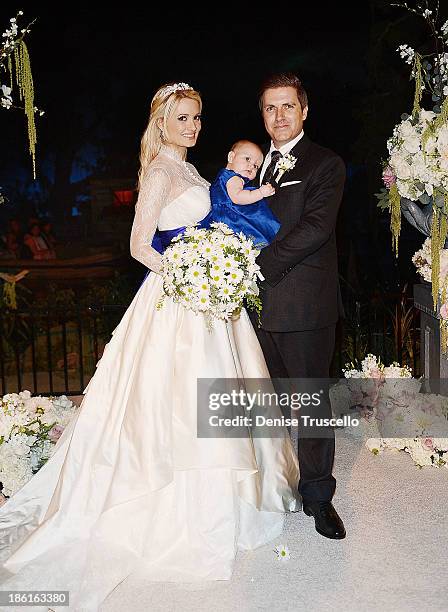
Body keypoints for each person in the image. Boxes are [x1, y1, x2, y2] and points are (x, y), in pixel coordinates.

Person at [0, 82, 300, 610]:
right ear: (161, 122)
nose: (192, 126)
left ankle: (231, 501)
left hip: (208, 295)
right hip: (178, 297)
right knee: (172, 403)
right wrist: (187, 273)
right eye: (181, 118)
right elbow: (139, 245)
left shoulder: (189, 169)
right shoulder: (160, 171)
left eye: (197, 117)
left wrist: (216, 265)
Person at [253, 73, 346, 539]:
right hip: (254, 310)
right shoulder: (251, 166)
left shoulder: (326, 164)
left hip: (305, 307)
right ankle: (270, 487)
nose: (280, 116)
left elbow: (315, 229)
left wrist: (257, 266)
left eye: (288, 106)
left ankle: (318, 498)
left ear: (304, 110)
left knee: (310, 406)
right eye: (271, 108)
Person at [206, 140, 280, 246]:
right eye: (247, 159)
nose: (251, 166)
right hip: (229, 218)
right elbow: (237, 197)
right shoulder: (234, 178)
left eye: (256, 166)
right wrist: (260, 192)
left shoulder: (226, 175)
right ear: (231, 157)